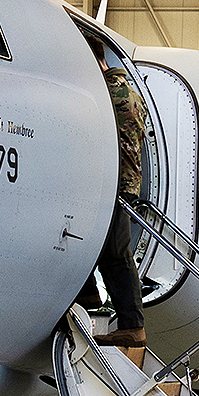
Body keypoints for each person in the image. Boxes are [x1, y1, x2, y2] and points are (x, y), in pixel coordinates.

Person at [75, 43, 148, 347]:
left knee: (116, 255)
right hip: (124, 183)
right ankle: (89, 292)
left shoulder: (106, 95)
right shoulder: (131, 92)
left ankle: (133, 326)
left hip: (112, 185)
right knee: (102, 247)